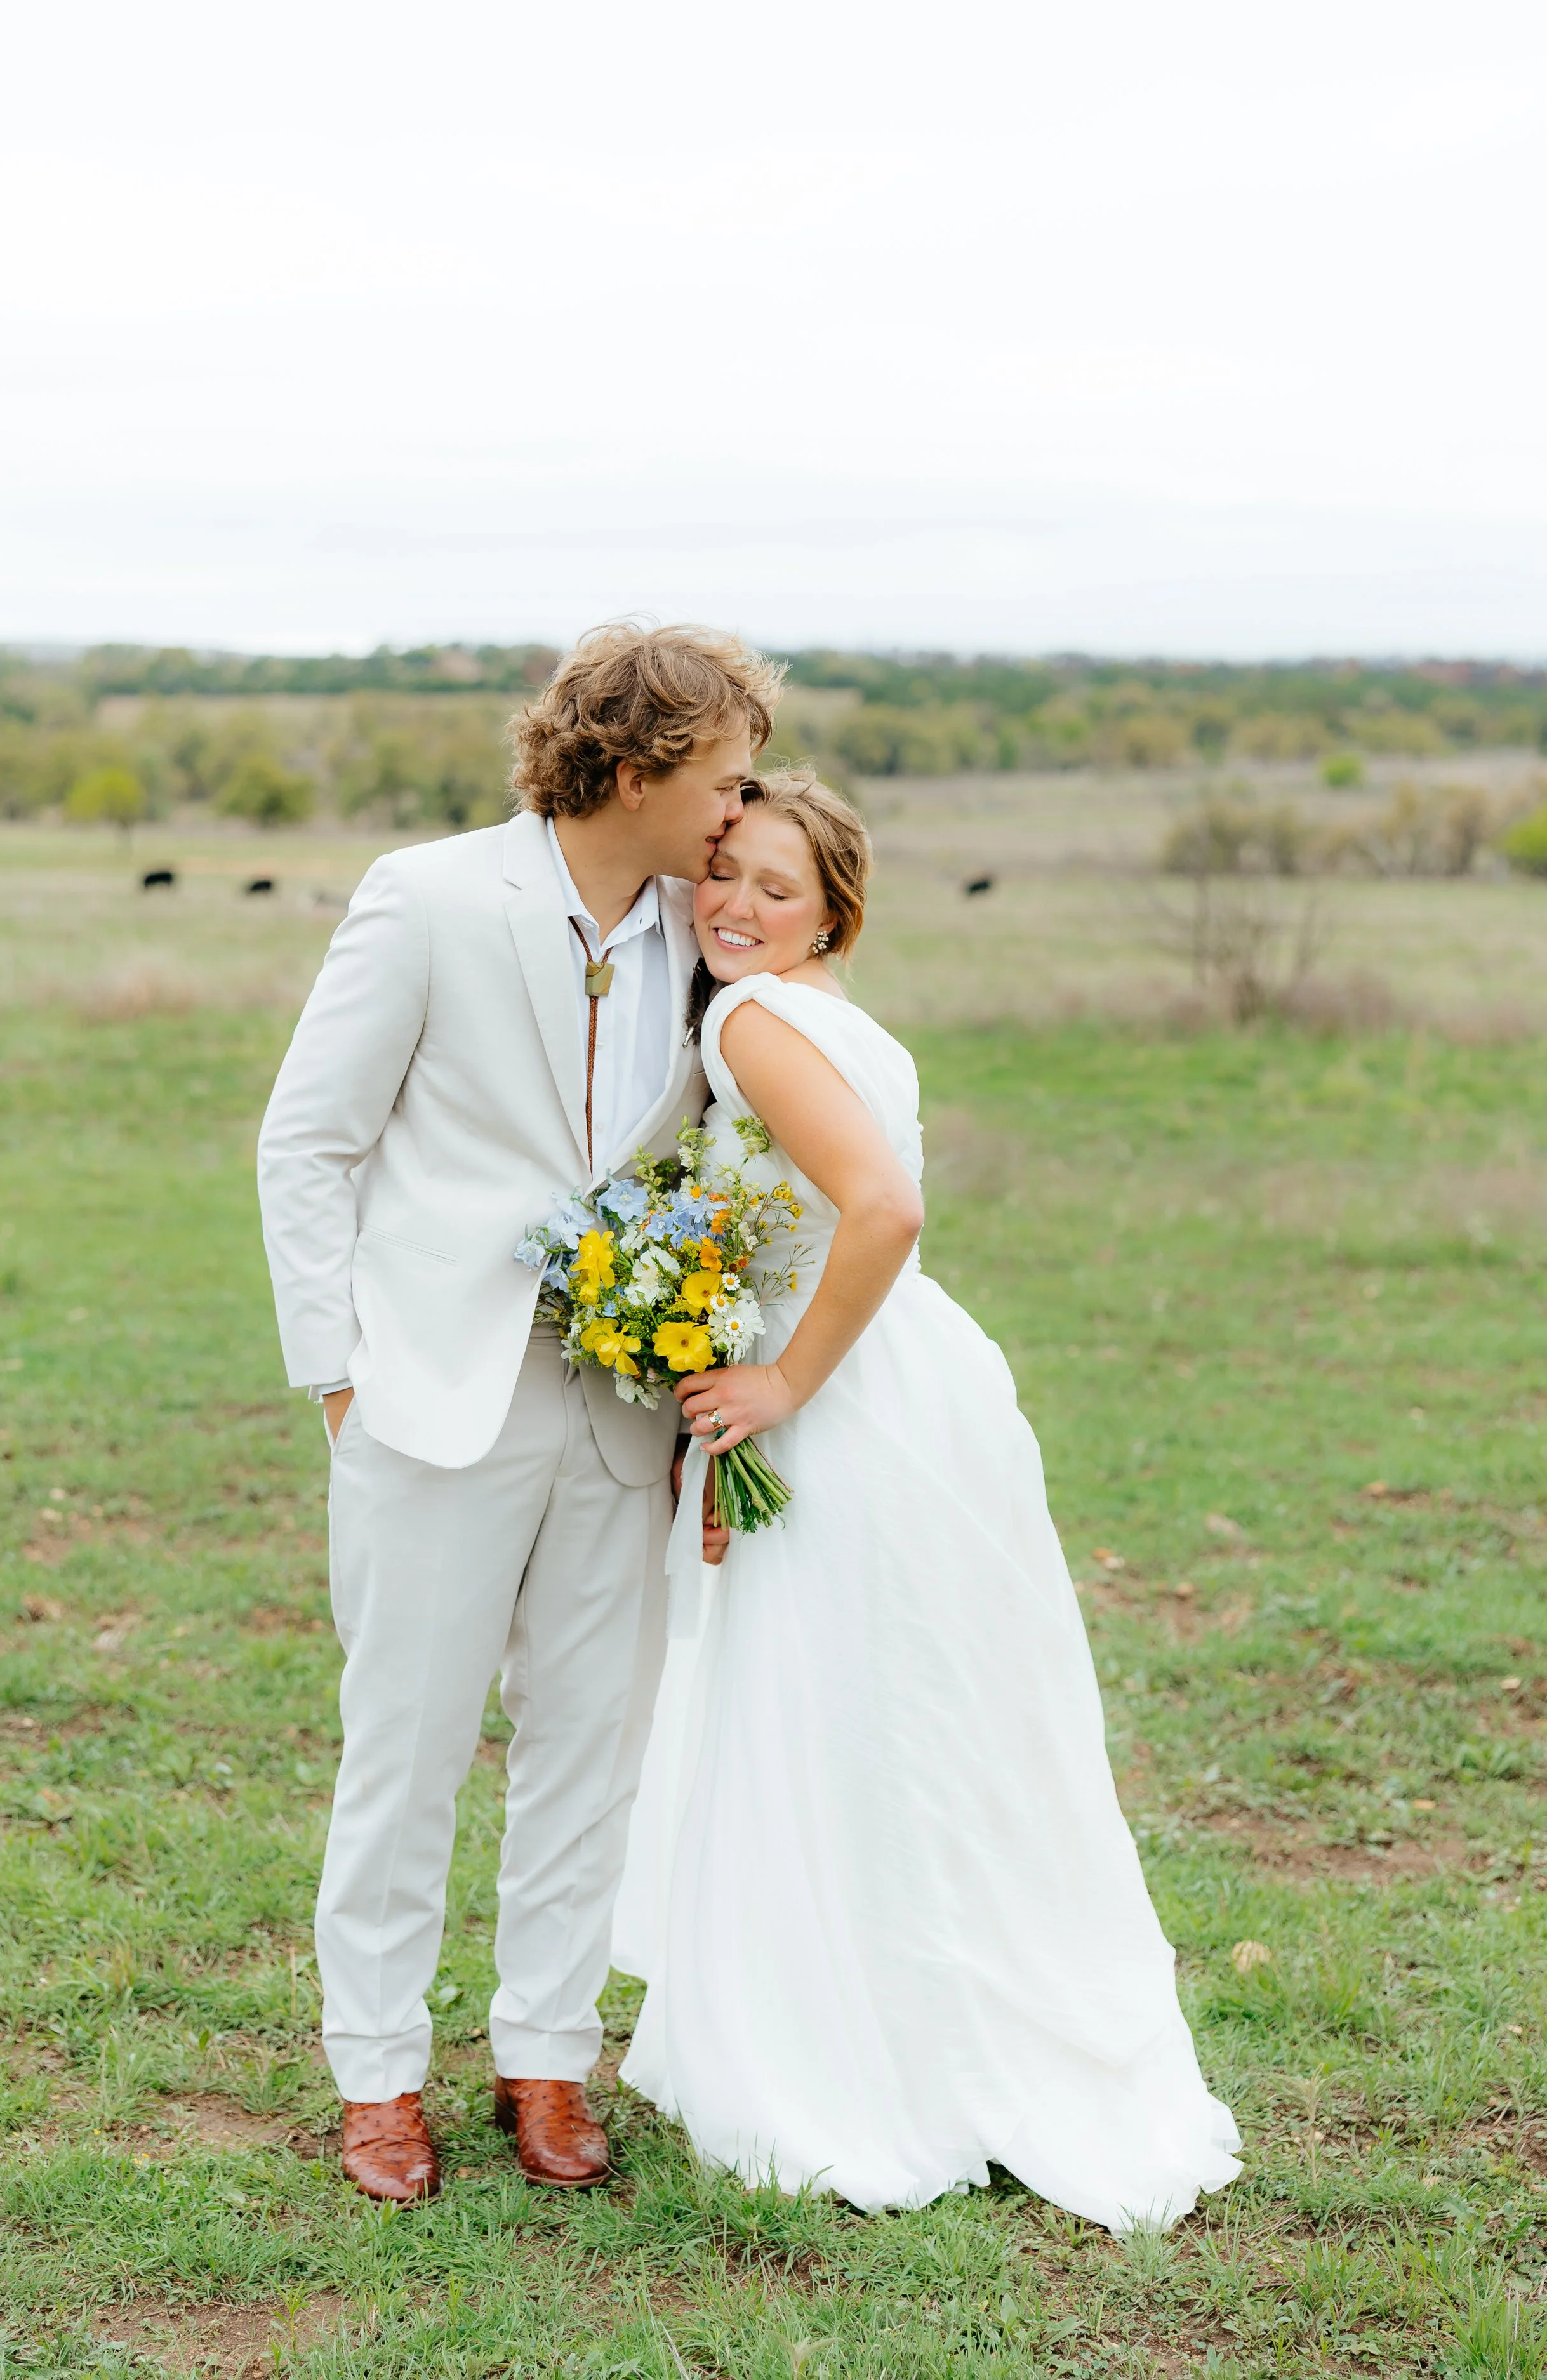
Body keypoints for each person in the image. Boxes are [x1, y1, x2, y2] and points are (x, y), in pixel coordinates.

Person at [612, 769, 1242, 2233]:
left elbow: (884, 1208)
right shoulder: (834, 1019)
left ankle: (860, 2058)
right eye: (724, 877)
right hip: (919, 1388)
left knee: (836, 1710)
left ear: (835, 910)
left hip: (847, 1398)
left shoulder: (751, 1019)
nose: (736, 907)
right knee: (916, 1706)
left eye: (777, 887)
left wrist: (774, 1393)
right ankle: (934, 2024)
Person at [257, 623, 783, 2202]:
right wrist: (337, 1377)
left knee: (590, 1745)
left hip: (624, 1406)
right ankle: (376, 2079)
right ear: (633, 766)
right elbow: (307, 1146)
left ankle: (545, 2060)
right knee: (403, 1747)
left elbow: (732, 1155)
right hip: (426, 1397)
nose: (740, 808)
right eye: (722, 774)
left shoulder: (715, 933)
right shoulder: (425, 896)